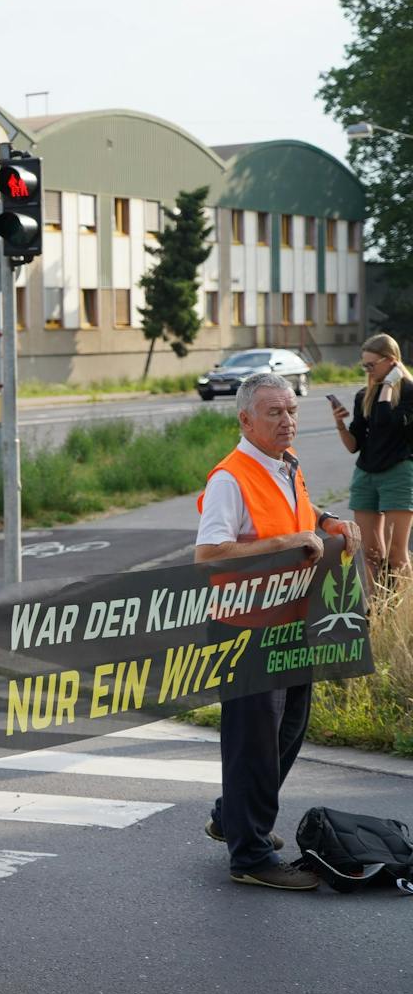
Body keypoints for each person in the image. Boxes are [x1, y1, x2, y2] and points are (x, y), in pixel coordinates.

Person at [194, 372, 360, 891]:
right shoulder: (230, 477)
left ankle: (232, 817)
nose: (288, 421)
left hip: (291, 620)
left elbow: (300, 513)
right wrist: (288, 540)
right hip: (244, 627)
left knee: (287, 732)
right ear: (245, 419)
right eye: (275, 413)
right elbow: (209, 554)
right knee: (252, 742)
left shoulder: (287, 465)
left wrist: (327, 521)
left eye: (291, 410)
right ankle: (250, 856)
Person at [330, 332, 413, 585]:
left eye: (371, 365)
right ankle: (377, 612)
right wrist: (340, 425)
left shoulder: (409, 392)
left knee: (397, 555)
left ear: (391, 361)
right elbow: (354, 446)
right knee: (370, 553)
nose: (367, 370)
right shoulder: (363, 396)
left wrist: (389, 385)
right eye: (363, 365)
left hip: (398, 473)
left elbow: (386, 421)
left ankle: (404, 614)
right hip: (365, 474)